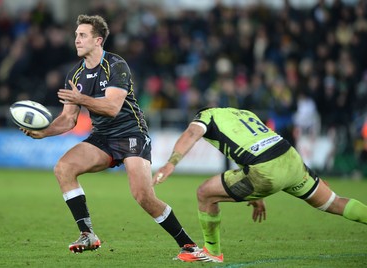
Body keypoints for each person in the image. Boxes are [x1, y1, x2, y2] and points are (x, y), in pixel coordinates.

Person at [21, 14, 198, 257]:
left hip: (131, 133)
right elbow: (68, 119)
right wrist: (43, 132)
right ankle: (87, 234)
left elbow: (112, 107)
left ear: (98, 40)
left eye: (82, 35)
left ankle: (188, 245)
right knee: (63, 168)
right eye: (76, 35)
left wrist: (81, 99)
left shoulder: (116, 65)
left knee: (143, 195)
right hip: (102, 137)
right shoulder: (75, 75)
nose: (77, 40)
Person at [154, 107, 367, 263]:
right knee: (335, 202)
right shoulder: (245, 114)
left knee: (205, 193)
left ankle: (212, 251)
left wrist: (171, 164)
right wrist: (257, 196)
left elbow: (191, 133)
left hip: (266, 170)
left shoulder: (206, 116)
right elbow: (251, 151)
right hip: (291, 159)